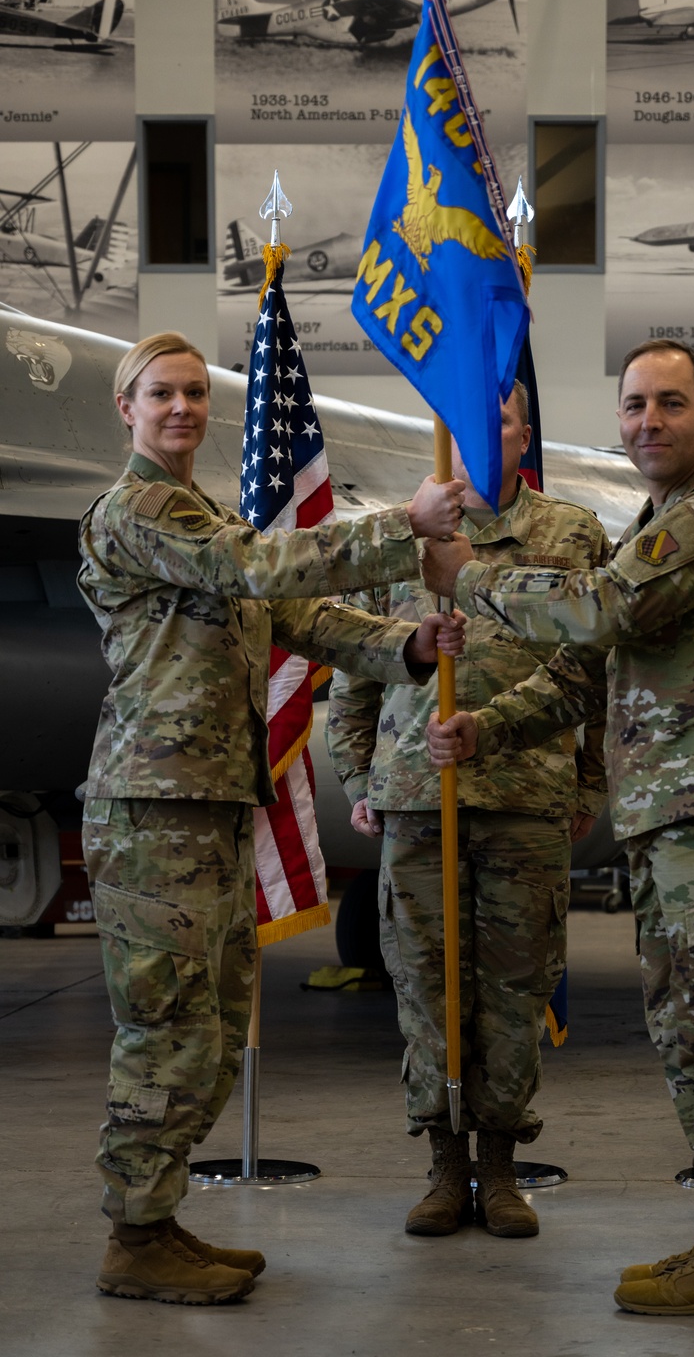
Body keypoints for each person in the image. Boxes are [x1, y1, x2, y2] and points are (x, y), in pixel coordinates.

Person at [422, 340, 694, 1315]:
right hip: (677, 820)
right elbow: (586, 673)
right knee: (691, 1030)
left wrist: (470, 576)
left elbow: (601, 609)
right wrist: (487, 723)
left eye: (669, 403)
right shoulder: (661, 520)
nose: (647, 421)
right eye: (633, 404)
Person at [78, 332, 466, 1305]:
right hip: (151, 810)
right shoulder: (135, 509)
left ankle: (157, 1218)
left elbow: (306, 621)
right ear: (126, 408)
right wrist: (397, 529)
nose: (179, 407)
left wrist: (409, 644)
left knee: (205, 1026)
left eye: (192, 392)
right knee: (166, 1024)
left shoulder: (199, 512)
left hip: (206, 803)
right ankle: (133, 1233)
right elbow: (253, 564)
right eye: (159, 392)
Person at [326, 381, 609, 1239]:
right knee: (425, 990)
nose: (489, 431)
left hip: (526, 798)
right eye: (468, 416)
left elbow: (594, 669)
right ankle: (446, 1166)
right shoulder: (407, 532)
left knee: (515, 991)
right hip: (418, 799)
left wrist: (588, 785)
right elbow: (357, 666)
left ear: (528, 432)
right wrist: (359, 777)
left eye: (506, 415)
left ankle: (501, 1166)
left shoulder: (572, 535)